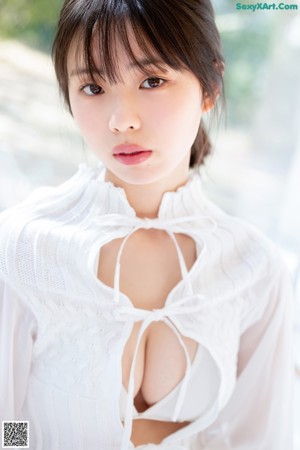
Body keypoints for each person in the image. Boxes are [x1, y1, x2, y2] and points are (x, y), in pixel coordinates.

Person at [0, 0, 294, 449]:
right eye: (94, 88)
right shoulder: (26, 246)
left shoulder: (253, 267)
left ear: (210, 86)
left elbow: (259, 436)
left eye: (152, 80)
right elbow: (6, 426)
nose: (122, 121)